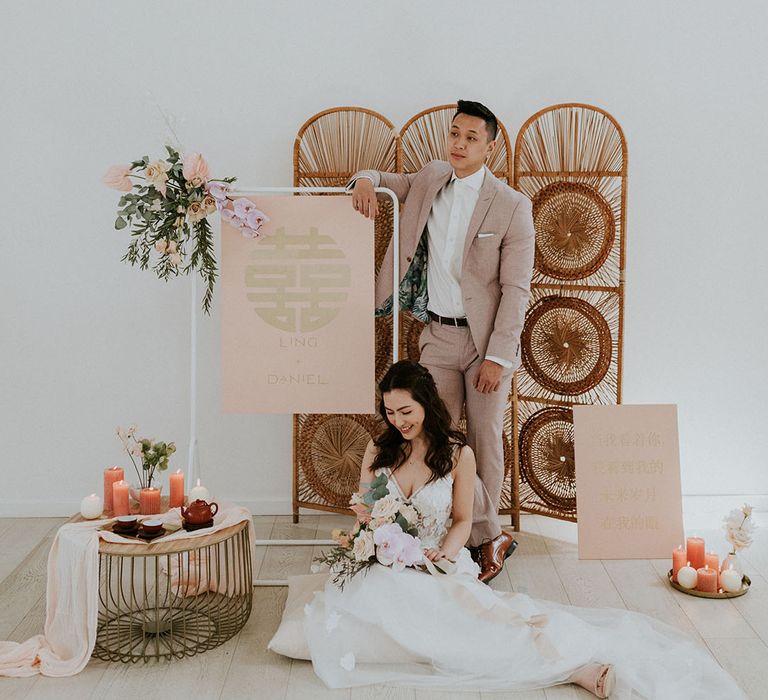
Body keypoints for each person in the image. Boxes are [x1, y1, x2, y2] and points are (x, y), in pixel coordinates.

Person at [269, 361, 745, 698]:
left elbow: (460, 522)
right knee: (398, 604)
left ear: (426, 404)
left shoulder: (457, 454)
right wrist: (370, 528)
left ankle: (571, 663)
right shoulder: (380, 451)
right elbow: (365, 509)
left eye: (406, 412)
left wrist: (443, 554)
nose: (399, 422)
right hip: (384, 562)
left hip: (437, 559)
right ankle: (569, 667)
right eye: (390, 413)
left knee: (472, 617)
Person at [349, 100, 534, 582]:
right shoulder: (432, 177)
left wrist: (497, 356)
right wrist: (366, 180)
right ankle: (446, 532)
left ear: (490, 146)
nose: (460, 143)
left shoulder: (512, 205)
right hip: (435, 332)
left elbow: (516, 290)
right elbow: (388, 181)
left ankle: (486, 535)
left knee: (483, 442)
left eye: (472, 137)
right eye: (455, 134)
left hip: (483, 343)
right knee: (439, 438)